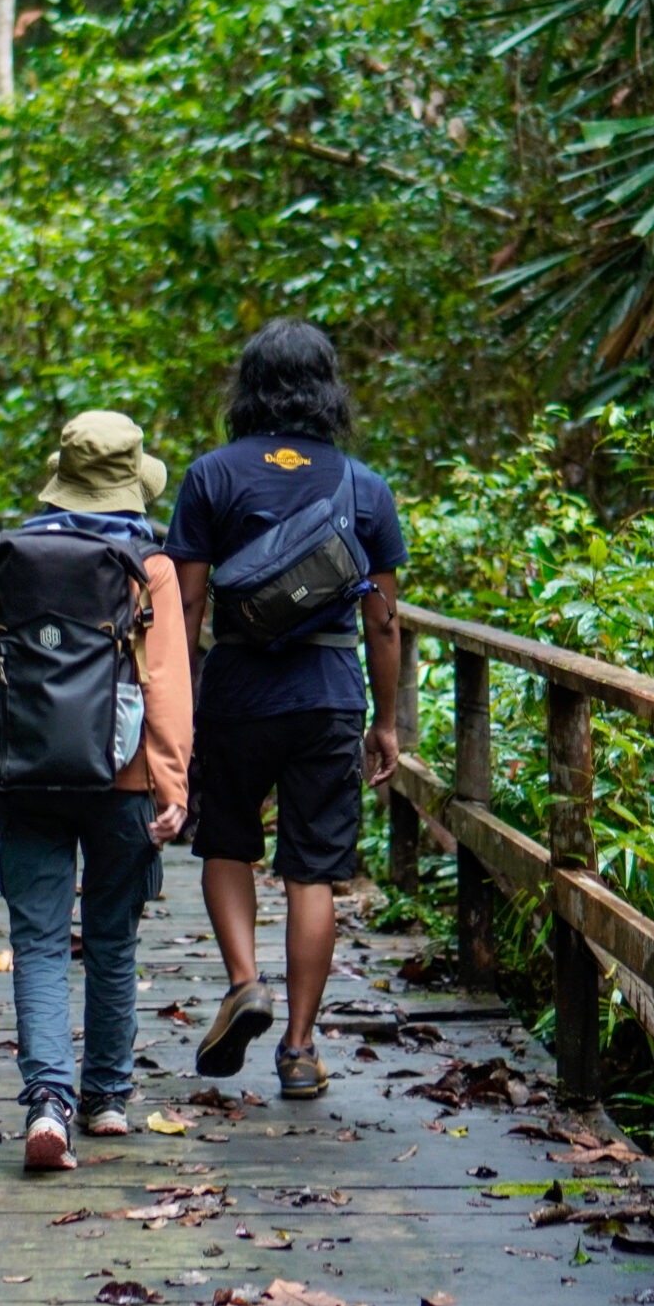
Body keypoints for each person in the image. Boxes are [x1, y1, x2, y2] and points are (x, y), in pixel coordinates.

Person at [164, 320, 406, 1101]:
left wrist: (179, 706)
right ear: (329, 389)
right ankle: (300, 1049)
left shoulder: (211, 476)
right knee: (314, 870)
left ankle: (244, 981)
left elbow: (188, 602)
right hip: (328, 693)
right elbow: (384, 619)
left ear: (249, 388)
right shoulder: (364, 487)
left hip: (236, 688)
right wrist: (388, 721)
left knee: (227, 841)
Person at [0, 412, 192, 1172]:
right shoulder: (147, 565)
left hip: (27, 774)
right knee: (114, 937)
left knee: (36, 939)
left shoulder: (7, 559)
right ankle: (108, 1097)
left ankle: (48, 1104)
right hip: (121, 775)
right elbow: (166, 687)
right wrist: (172, 780)